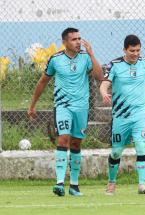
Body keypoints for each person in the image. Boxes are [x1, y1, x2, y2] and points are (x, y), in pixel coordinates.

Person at [28, 27, 103, 196]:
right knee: (63, 139)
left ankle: (74, 185)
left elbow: (99, 76)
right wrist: (32, 105)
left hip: (82, 108)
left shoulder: (85, 57)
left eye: (79, 38)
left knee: (76, 144)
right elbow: (42, 82)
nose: (78, 42)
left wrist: (91, 54)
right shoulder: (55, 59)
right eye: (74, 39)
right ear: (65, 42)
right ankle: (60, 183)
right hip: (63, 106)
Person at [100, 35, 145, 195]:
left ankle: (142, 185)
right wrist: (104, 92)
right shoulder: (115, 65)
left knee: (141, 146)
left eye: (138, 50)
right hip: (120, 116)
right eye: (132, 50)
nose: (135, 53)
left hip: (140, 114)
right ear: (124, 50)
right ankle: (111, 182)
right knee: (116, 152)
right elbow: (104, 83)